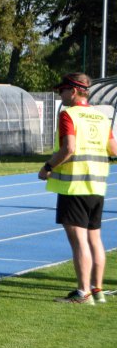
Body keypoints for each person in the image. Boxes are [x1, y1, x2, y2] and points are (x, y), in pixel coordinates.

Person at [38, 73, 117, 305]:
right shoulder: (101, 117)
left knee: (79, 241)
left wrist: (47, 167)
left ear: (73, 91)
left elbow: (69, 148)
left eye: (62, 91)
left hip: (74, 187)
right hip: (97, 186)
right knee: (95, 239)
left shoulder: (68, 114)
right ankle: (98, 290)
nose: (60, 95)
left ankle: (83, 293)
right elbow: (113, 149)